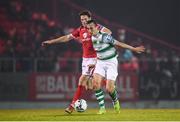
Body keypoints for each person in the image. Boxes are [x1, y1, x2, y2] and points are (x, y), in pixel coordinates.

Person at [41, 10, 112, 114]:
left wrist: (101, 39)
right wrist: (51, 42)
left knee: (83, 81)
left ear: (90, 18)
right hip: (85, 60)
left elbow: (109, 32)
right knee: (88, 85)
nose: (83, 21)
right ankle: (109, 85)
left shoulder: (97, 27)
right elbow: (66, 37)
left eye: (85, 19)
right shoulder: (80, 30)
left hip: (96, 59)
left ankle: (72, 106)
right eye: (81, 19)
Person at [87, 19, 145, 114]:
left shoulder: (105, 37)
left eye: (91, 28)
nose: (90, 30)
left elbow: (119, 44)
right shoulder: (92, 38)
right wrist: (94, 63)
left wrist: (133, 49)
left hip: (111, 62)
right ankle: (102, 108)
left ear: (97, 27)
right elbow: (99, 52)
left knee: (109, 88)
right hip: (100, 62)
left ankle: (115, 101)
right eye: (88, 29)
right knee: (95, 84)